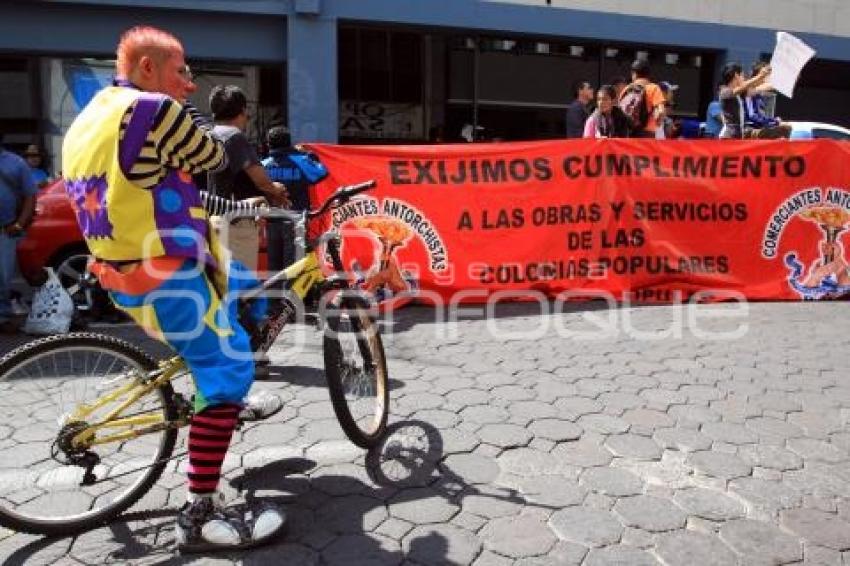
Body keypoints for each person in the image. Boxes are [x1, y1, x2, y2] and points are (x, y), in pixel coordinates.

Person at [61, 25, 288, 553]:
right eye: (182, 71)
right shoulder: (151, 111)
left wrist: (236, 209)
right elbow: (212, 159)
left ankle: (226, 399)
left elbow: (156, 188)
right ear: (147, 67)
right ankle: (200, 513)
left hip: (122, 270)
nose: (189, 85)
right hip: (167, 276)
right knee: (230, 368)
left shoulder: (89, 119)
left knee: (226, 315)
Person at [261, 125, 328, 274]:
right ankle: (292, 297)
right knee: (294, 269)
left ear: (268, 144)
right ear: (289, 142)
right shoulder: (302, 161)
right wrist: (310, 155)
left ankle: (274, 297)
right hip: (296, 222)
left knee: (274, 270)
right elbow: (322, 172)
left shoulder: (263, 166)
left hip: (272, 222)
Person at [0, 134, 37, 333]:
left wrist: (20, 224)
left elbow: (30, 195)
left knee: (3, 277)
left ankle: (3, 317)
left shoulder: (16, 163)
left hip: (5, 229)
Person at [718, 61, 771, 139]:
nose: (744, 78)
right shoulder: (725, 91)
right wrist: (759, 76)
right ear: (736, 75)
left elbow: (758, 88)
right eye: (742, 75)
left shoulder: (738, 93)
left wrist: (764, 76)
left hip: (737, 134)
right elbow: (744, 86)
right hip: (729, 135)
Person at [619, 59, 666, 139]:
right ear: (648, 74)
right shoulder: (653, 88)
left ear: (634, 74)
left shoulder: (627, 89)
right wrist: (658, 122)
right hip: (647, 133)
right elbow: (661, 111)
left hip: (627, 132)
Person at [744, 60, 792, 139]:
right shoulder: (749, 91)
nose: (768, 76)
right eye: (766, 73)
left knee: (786, 128)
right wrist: (775, 122)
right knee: (784, 129)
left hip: (758, 127)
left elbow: (760, 117)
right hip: (749, 129)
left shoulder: (758, 95)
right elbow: (752, 117)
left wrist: (774, 121)